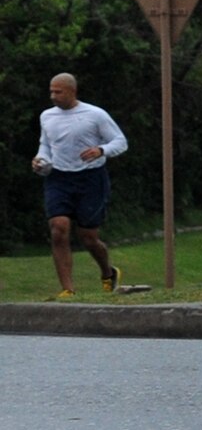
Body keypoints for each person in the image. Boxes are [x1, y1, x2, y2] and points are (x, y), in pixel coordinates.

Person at [33, 73, 127, 299]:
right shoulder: (47, 116)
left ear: (72, 91)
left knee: (88, 237)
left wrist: (101, 150)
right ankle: (68, 289)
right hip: (59, 177)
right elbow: (46, 145)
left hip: (91, 178)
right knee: (58, 228)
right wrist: (40, 159)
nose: (53, 96)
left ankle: (108, 272)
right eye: (51, 91)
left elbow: (120, 142)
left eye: (58, 92)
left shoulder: (95, 114)